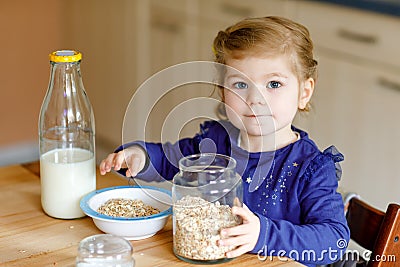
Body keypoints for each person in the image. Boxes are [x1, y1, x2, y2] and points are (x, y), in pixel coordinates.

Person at [100, 16, 350, 267]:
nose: (255, 98)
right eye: (240, 84)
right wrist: (140, 156)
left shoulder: (311, 168)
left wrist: (263, 235)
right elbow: (171, 160)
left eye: (274, 84)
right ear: (222, 92)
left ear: (303, 93)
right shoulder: (216, 142)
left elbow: (334, 241)